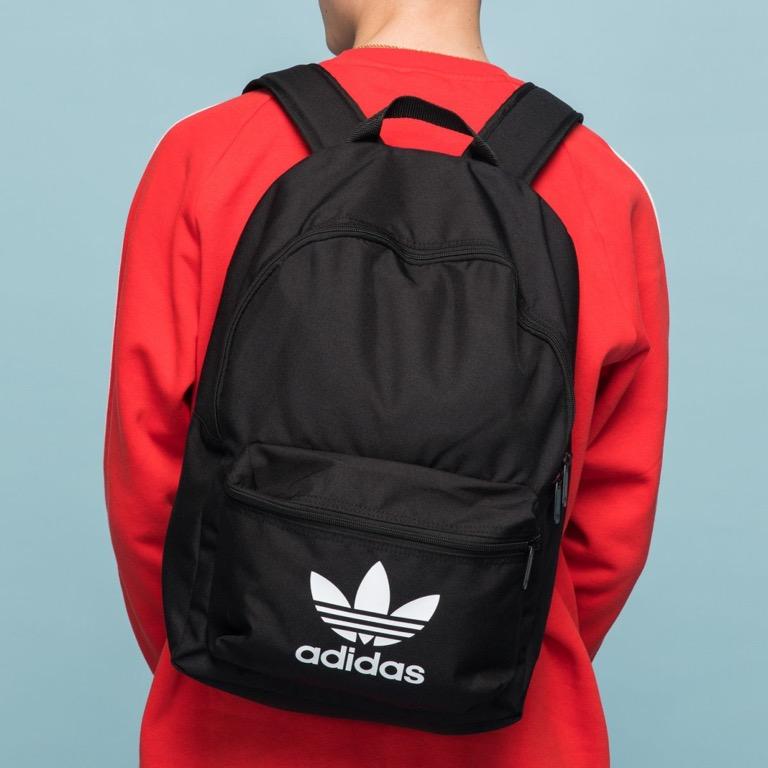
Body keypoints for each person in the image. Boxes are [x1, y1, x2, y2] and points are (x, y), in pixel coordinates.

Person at [104, 0, 669, 765]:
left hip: (229, 729)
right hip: (510, 739)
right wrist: (470, 645)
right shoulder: (604, 187)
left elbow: (148, 484)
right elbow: (610, 531)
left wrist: (232, 644)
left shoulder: (208, 150)